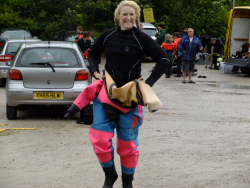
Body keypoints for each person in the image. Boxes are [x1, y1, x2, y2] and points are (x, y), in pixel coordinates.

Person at [87, 1, 169, 188]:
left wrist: (147, 85)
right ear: (118, 17)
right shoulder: (108, 35)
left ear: (136, 17)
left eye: (132, 14)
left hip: (130, 100)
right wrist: (95, 71)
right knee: (99, 139)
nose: (128, 18)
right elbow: (92, 53)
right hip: (106, 95)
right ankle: (110, 175)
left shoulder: (141, 38)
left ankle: (127, 182)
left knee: (127, 147)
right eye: (124, 14)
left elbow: (163, 59)